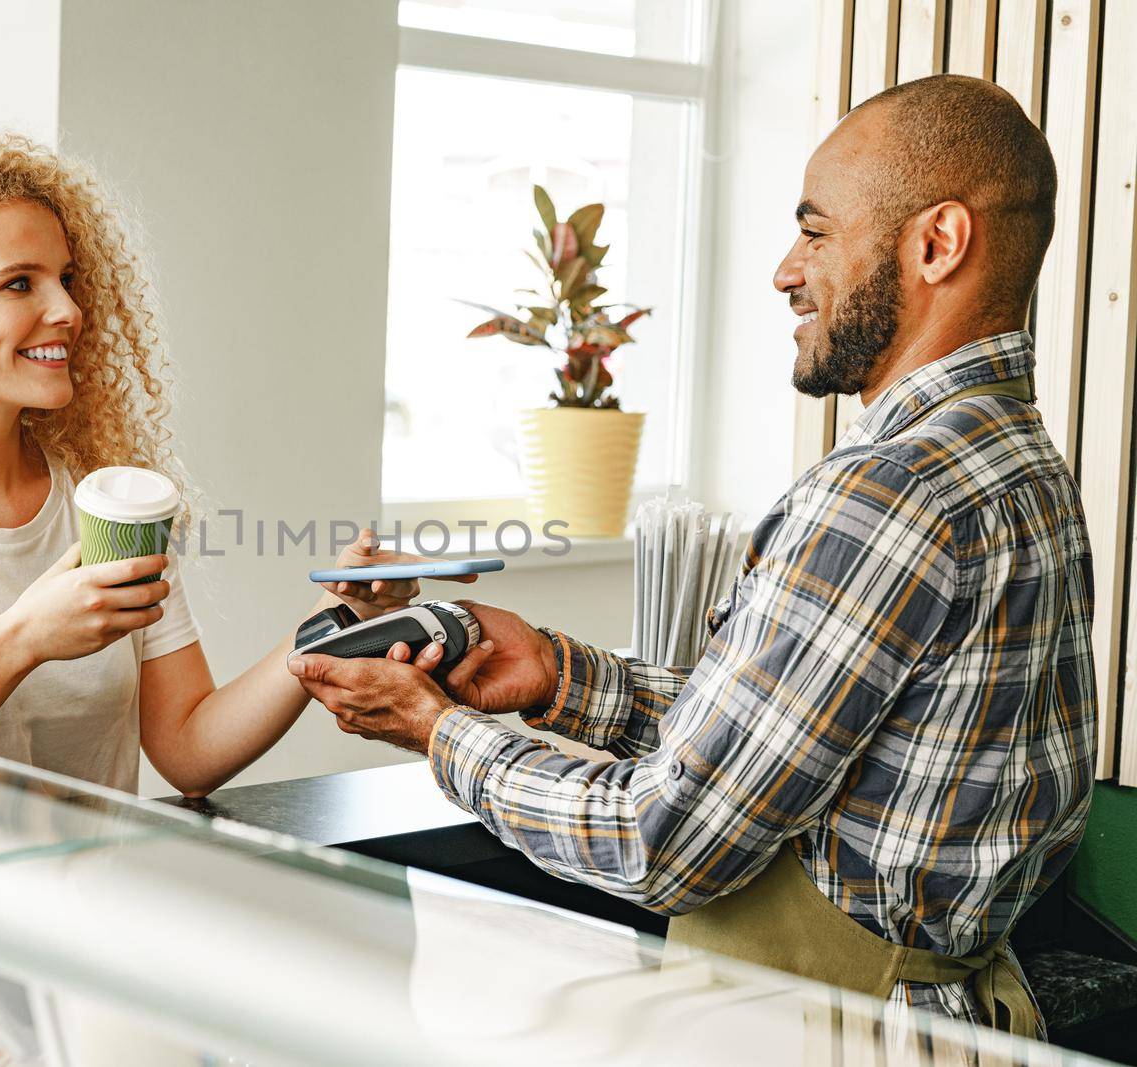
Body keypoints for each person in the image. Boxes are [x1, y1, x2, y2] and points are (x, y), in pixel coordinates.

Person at [287, 74, 1094, 1037]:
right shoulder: (1018, 461)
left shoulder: (891, 491)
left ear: (937, 243)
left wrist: (438, 732)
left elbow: (663, 841)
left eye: (817, 230)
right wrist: (557, 675)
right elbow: (787, 746)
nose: (786, 270)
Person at [0, 134, 467, 797]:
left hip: (86, 936)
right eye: (20, 283)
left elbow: (189, 748)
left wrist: (335, 622)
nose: (69, 310)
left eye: (67, 279)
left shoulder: (101, 500)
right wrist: (21, 639)